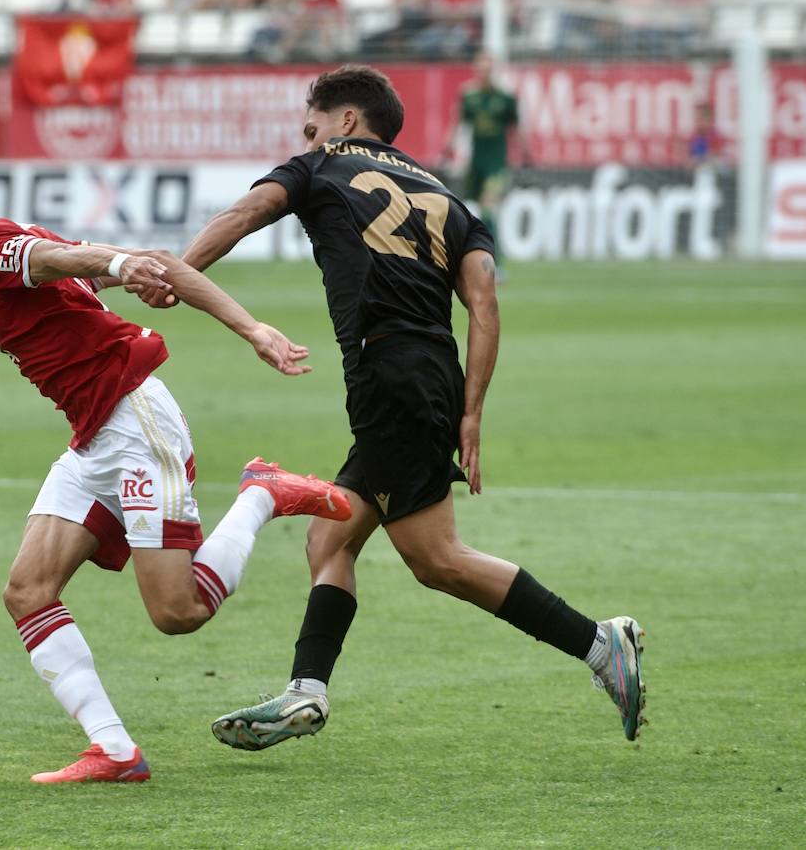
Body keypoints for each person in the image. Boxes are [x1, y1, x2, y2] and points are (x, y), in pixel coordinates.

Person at [139, 64, 645, 750]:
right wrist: (471, 412)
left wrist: (181, 273)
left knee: (437, 559)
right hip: (431, 375)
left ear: (346, 121)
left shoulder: (318, 165)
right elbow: (485, 302)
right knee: (331, 537)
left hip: (387, 375)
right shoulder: (449, 198)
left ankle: (598, 643)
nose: (304, 135)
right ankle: (305, 690)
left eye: (311, 123)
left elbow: (242, 214)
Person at [0, 151, 353, 783]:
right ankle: (115, 751)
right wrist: (244, 324)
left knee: (177, 612)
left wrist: (123, 265)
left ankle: (262, 494)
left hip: (135, 425)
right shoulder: (3, 251)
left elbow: (77, 260)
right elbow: (145, 268)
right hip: (95, 436)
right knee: (27, 591)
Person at [442, 53, 526, 278]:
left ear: (494, 71)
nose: (484, 74)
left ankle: (496, 265)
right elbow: (457, 122)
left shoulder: (506, 98)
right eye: (481, 69)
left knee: (489, 210)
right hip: (475, 164)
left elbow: (516, 129)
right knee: (471, 211)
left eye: (488, 69)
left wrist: (525, 155)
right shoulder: (469, 96)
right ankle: (468, 260)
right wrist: (449, 144)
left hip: (496, 164)